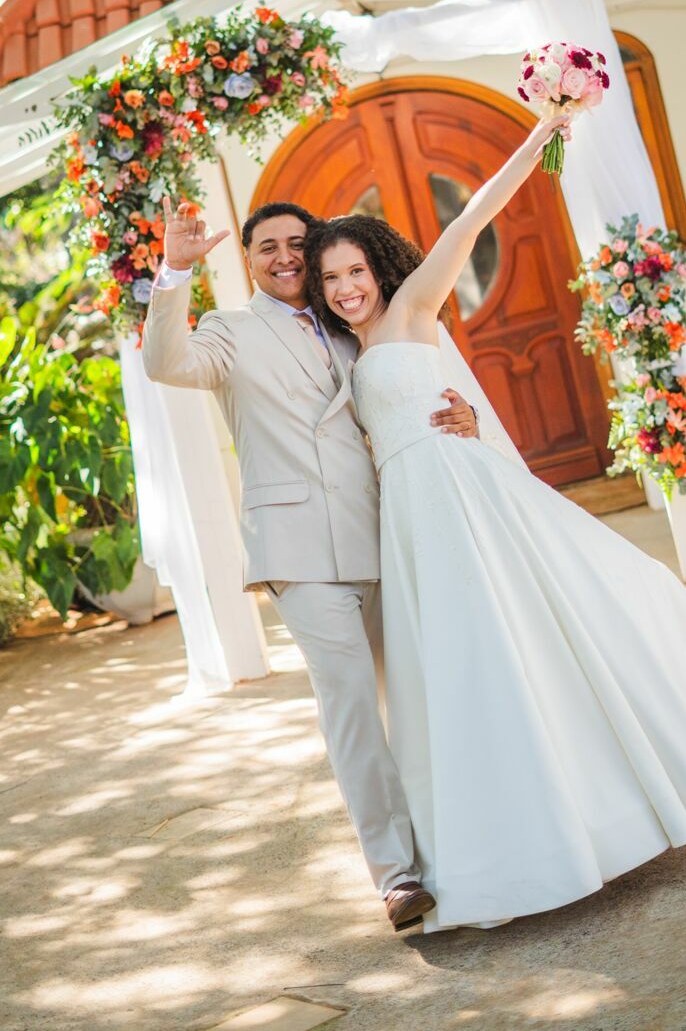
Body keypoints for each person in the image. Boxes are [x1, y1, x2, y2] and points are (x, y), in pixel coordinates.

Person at [304, 113, 686, 933]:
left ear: (379, 267)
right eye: (330, 280)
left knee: (535, 637)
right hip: (412, 525)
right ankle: (515, 843)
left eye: (354, 269)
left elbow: (472, 220)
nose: (344, 288)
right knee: (461, 670)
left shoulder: (413, 310)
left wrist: (542, 132)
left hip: (467, 501)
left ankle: (616, 811)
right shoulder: (343, 358)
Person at [140, 197, 479, 932]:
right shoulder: (228, 331)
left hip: (387, 531)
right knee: (352, 703)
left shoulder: (354, 320)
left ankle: (458, 837)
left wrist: (463, 415)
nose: (285, 256)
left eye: (299, 243)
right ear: (249, 259)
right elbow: (164, 363)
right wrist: (173, 270)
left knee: (421, 691)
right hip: (297, 547)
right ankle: (396, 876)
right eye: (267, 247)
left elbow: (407, 391)